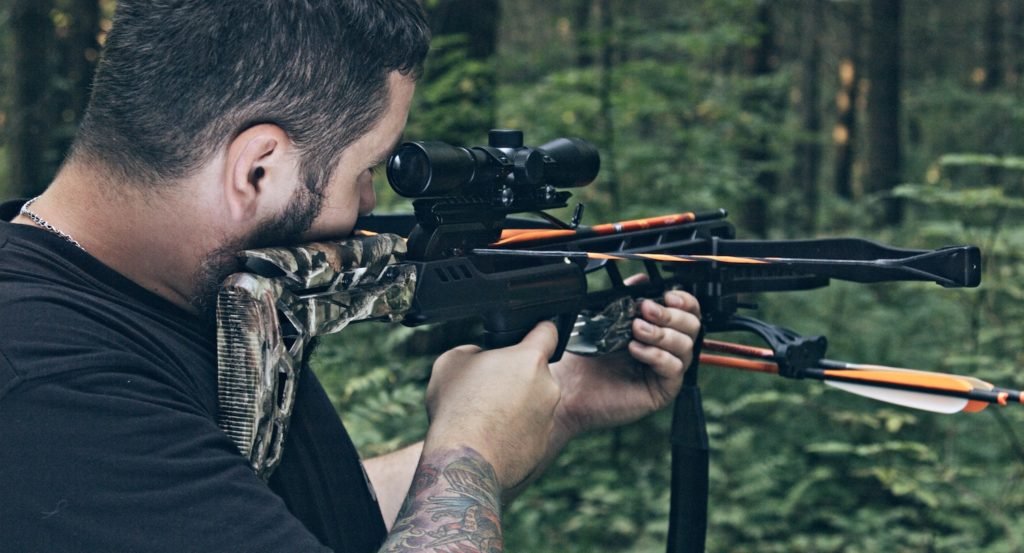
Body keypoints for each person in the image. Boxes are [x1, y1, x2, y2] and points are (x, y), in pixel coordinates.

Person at [0, 1, 702, 551]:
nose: (369, 205)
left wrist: (562, 399)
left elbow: (275, 521)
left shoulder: (182, 299)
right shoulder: (43, 387)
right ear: (259, 169)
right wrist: (471, 449)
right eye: (366, 169)